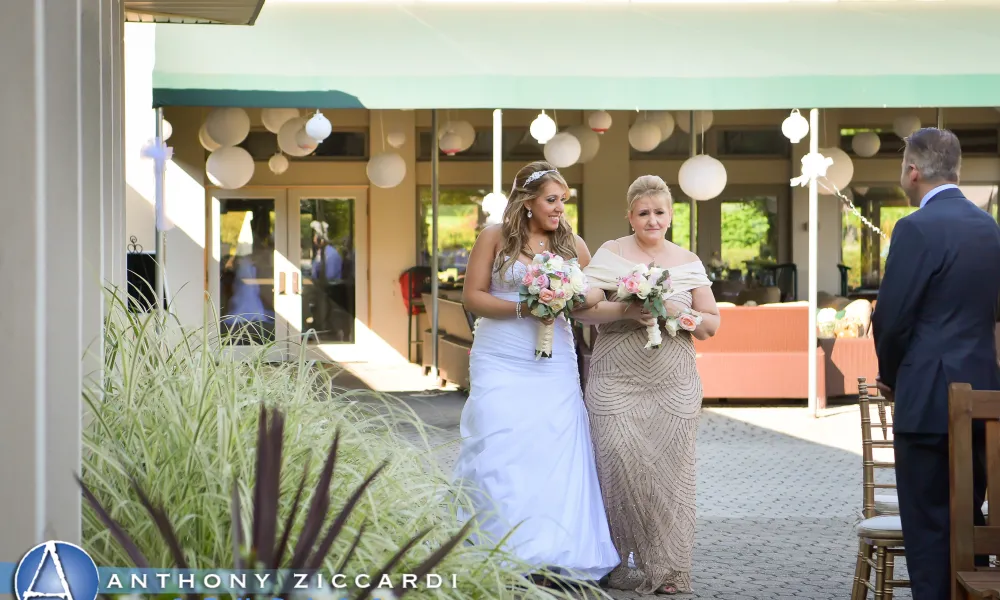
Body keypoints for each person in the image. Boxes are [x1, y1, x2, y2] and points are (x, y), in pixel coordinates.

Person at [452, 161, 619, 583]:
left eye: (564, 200)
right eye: (551, 199)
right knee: (500, 440)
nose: (560, 207)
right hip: (500, 355)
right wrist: (526, 306)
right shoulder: (493, 237)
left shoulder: (573, 245)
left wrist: (607, 301)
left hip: (554, 362)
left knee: (552, 444)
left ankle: (553, 549)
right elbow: (473, 297)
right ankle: (496, 547)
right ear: (527, 202)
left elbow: (589, 300)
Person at [574, 175, 720, 595]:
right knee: (617, 465)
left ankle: (669, 568)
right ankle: (618, 560)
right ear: (630, 216)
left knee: (670, 473)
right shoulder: (610, 254)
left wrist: (678, 313)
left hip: (673, 379)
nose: (652, 219)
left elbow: (710, 325)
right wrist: (628, 309)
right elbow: (585, 312)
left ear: (671, 215)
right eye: (644, 213)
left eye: (659, 212)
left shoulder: (688, 260)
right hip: (616, 377)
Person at [872, 127, 1000, 600]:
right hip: (984, 397)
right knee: (970, 520)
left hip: (927, 397)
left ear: (912, 171)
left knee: (927, 526)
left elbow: (893, 317)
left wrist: (889, 375)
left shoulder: (915, 228)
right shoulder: (989, 227)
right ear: (957, 171)